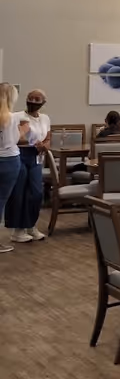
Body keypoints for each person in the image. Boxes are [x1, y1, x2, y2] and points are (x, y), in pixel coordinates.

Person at [8, 89, 50, 243]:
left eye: (37, 99)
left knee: (36, 193)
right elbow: (17, 138)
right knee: (20, 193)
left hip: (36, 158)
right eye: (30, 98)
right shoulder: (18, 116)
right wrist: (34, 143)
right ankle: (18, 230)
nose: (33, 101)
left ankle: (31, 225)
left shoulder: (45, 118)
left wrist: (45, 145)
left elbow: (48, 136)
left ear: (43, 102)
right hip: (20, 155)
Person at [0, 83, 30, 254]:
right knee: (1, 200)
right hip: (8, 161)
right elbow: (11, 141)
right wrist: (23, 131)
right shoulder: (11, 118)